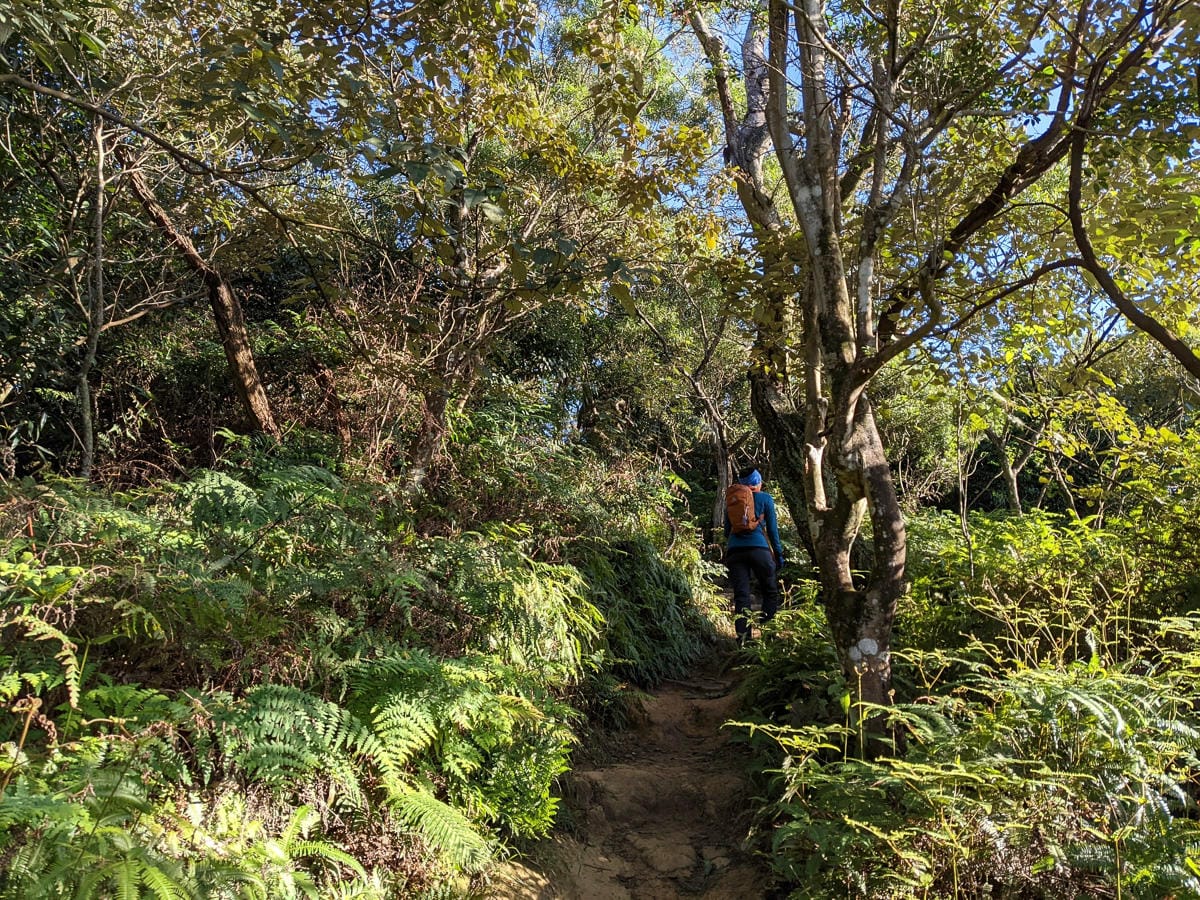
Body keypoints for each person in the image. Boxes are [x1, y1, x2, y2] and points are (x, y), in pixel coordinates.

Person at [723, 469, 784, 645]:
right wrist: (778, 555)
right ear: (758, 482)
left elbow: (728, 531)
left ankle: (743, 640)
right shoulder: (765, 499)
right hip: (760, 551)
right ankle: (768, 635)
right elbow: (772, 531)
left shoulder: (733, 499)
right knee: (770, 592)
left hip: (735, 551)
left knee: (742, 595)